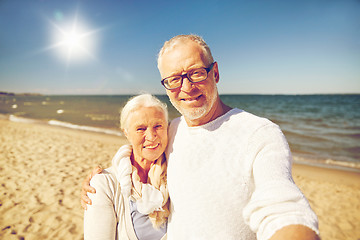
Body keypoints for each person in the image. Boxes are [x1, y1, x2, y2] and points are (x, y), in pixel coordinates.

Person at [82, 34, 320, 240]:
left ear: (215, 72)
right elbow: (138, 155)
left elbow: (280, 204)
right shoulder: (171, 131)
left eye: (196, 73)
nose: (185, 87)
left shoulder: (258, 134)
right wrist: (99, 180)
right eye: (174, 79)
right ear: (165, 86)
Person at [83, 94, 170, 240]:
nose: (151, 136)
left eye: (158, 126)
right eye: (141, 129)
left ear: (168, 127)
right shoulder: (104, 184)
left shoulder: (178, 173)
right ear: (126, 133)